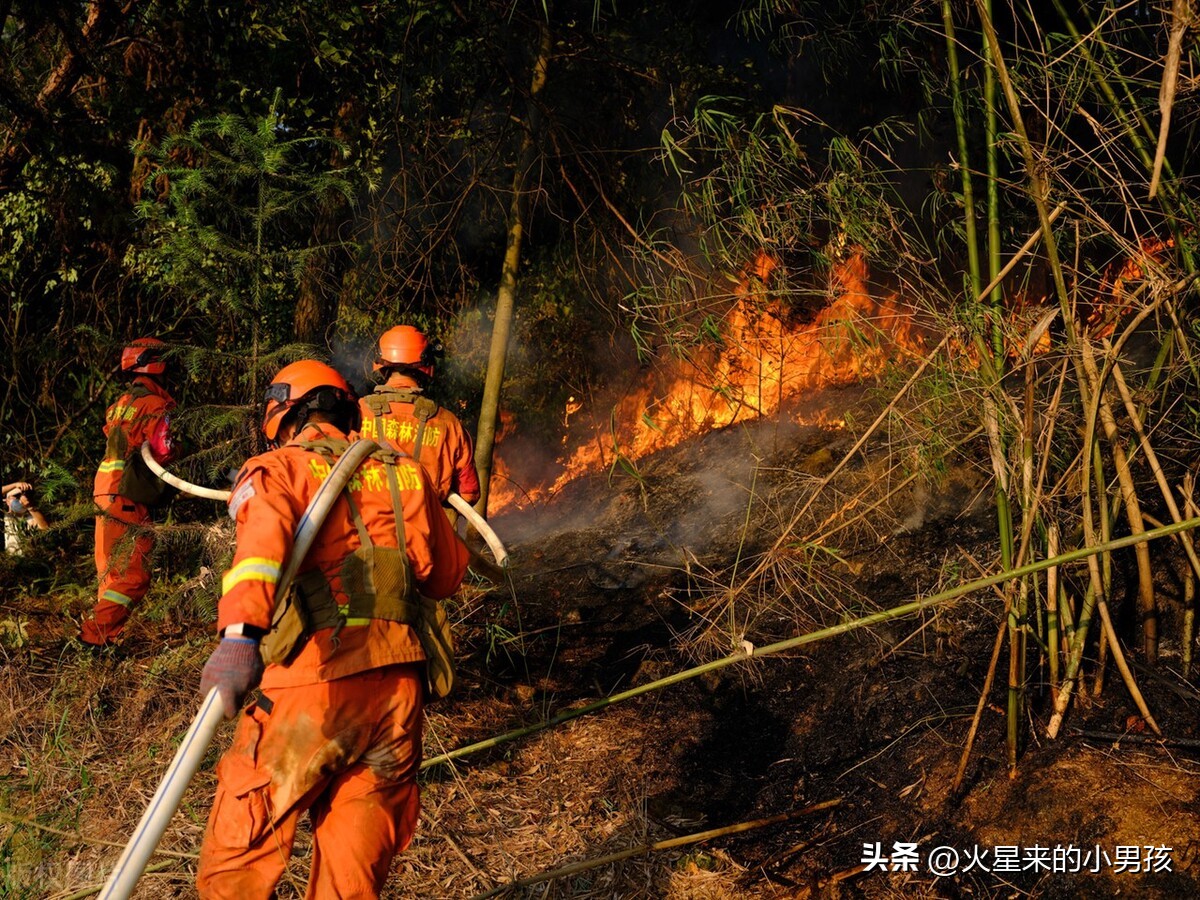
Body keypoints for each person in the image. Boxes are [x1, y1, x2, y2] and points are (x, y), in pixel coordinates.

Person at [196, 359, 469, 898]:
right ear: (348, 411)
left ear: (284, 415)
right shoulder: (406, 470)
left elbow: (259, 552)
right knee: (351, 880)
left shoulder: (278, 469)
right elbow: (445, 576)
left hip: (312, 687)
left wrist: (238, 637)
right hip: (397, 696)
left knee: (236, 866)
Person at [80, 337, 176, 647]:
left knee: (110, 573)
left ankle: (104, 647)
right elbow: (163, 450)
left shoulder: (119, 405)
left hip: (103, 492)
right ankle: (94, 637)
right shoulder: (155, 405)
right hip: (126, 496)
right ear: (157, 365)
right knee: (133, 576)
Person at [359, 325, 481, 506]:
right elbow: (469, 493)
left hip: (366, 527)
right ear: (426, 365)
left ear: (382, 364)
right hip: (423, 530)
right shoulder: (448, 423)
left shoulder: (357, 412)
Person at [2, 481, 48, 555]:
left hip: (28, 559)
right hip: (12, 561)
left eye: (19, 496)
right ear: (6, 501)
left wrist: (30, 507)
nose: (19, 500)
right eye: (14, 496)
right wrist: (15, 484)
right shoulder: (6, 516)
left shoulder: (31, 517)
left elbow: (45, 528)